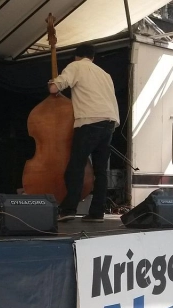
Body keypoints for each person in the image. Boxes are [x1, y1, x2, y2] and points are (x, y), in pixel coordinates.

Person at [49, 44, 120, 223]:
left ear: (76, 57)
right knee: (100, 171)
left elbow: (55, 88)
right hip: (110, 121)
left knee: (76, 166)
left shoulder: (76, 66)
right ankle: (97, 213)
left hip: (89, 121)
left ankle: (69, 209)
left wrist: (52, 83)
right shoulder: (105, 74)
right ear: (93, 58)